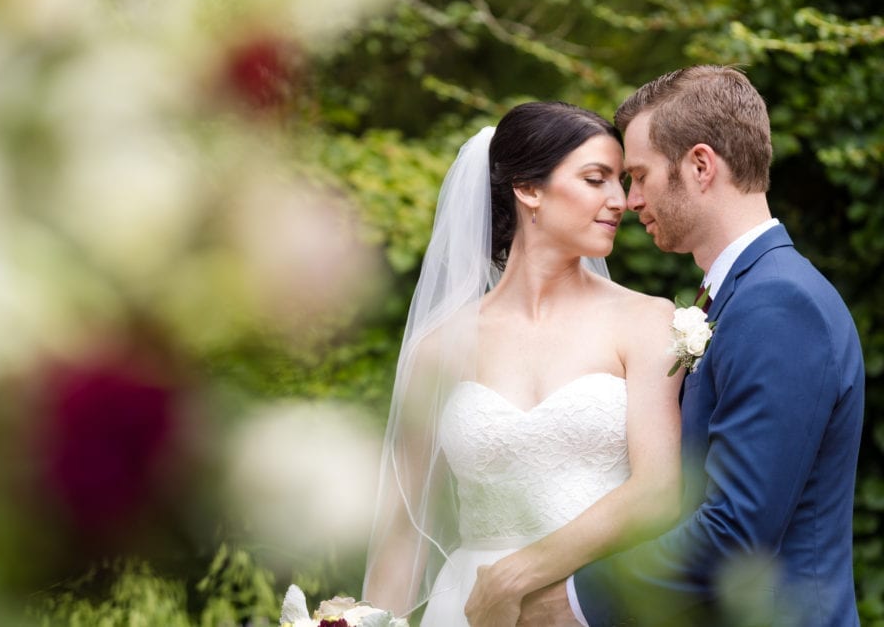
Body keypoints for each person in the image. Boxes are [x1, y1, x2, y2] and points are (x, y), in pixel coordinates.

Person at [521, 66, 865, 626]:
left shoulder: (779, 303)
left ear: (700, 165)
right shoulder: (738, 295)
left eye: (638, 176)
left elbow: (737, 527)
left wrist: (573, 604)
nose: (630, 201)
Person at [362, 101, 684, 626]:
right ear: (529, 189)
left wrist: (516, 575)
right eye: (596, 179)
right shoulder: (440, 348)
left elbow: (656, 492)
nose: (620, 201)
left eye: (620, 181)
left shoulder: (646, 321)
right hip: (465, 610)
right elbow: (404, 530)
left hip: (595, 604)